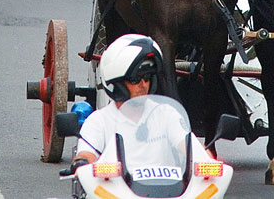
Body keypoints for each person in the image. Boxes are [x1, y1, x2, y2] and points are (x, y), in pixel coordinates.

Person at [72, 34, 210, 167]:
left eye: (147, 77)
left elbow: (190, 146)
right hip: (111, 189)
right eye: (135, 79)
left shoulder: (167, 114)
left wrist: (206, 159)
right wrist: (82, 163)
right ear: (117, 82)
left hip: (166, 190)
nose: (143, 84)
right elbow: (86, 155)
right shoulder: (98, 121)